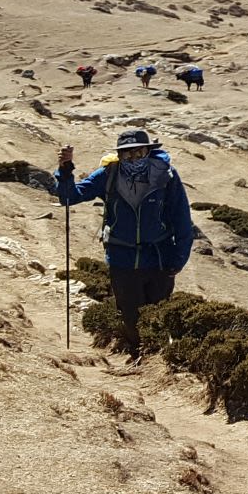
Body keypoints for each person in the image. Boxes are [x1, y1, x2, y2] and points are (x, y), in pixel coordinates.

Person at [51, 128, 196, 357]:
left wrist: (179, 258)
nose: (133, 158)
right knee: (130, 315)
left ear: (148, 151)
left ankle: (157, 360)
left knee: (159, 313)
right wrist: (65, 169)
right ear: (120, 155)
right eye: (127, 154)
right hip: (122, 259)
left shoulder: (166, 176)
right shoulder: (108, 174)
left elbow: (182, 218)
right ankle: (139, 356)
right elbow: (69, 196)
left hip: (160, 257)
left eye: (139, 152)